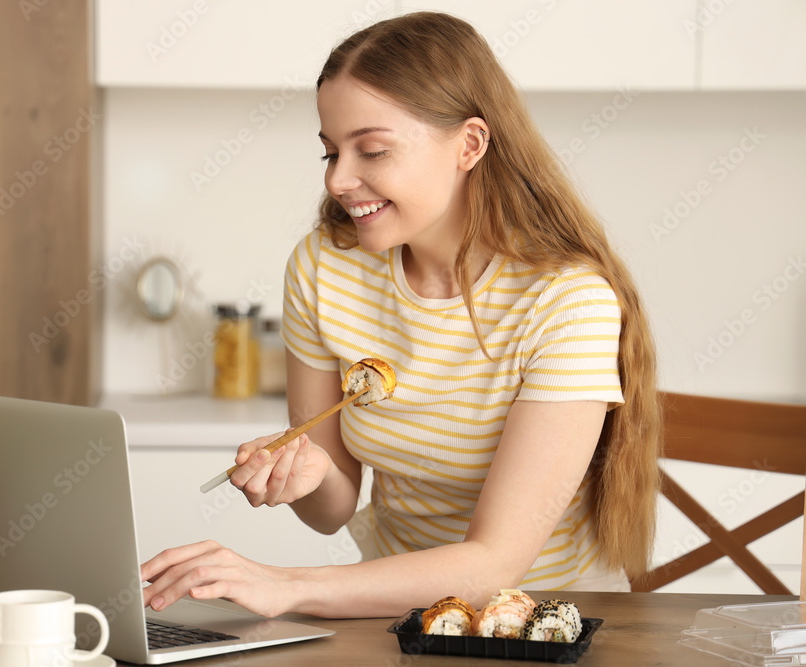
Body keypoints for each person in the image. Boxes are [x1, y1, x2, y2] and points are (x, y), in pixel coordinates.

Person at [141, 11, 661, 619]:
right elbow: (333, 508)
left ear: (470, 144)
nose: (339, 179)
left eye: (373, 151)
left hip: (538, 623)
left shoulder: (566, 302)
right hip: (393, 616)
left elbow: (494, 564)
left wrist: (286, 585)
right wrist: (307, 475)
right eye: (331, 152)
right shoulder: (324, 269)